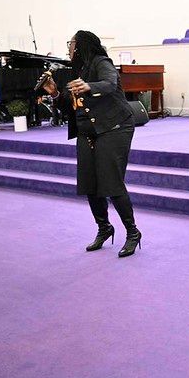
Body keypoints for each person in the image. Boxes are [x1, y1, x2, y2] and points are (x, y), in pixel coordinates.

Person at [42, 31, 142, 258]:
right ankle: (104, 228)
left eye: (71, 43)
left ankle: (133, 232)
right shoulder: (77, 70)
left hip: (114, 127)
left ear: (80, 46)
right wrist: (55, 93)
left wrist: (89, 86)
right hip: (87, 131)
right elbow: (72, 105)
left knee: (111, 182)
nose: (68, 48)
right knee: (89, 183)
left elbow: (110, 83)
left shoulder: (101, 62)